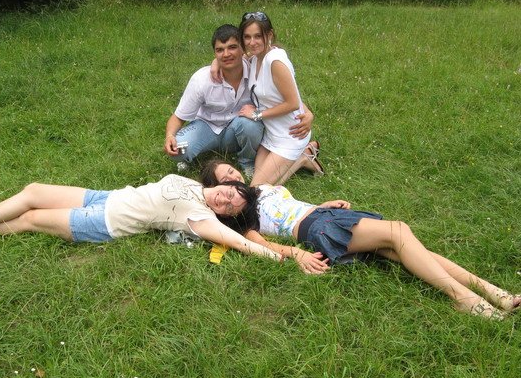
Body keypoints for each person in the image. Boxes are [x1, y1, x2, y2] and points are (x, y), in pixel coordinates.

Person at [200, 160, 521, 320]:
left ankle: (494, 293)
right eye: (223, 182)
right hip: (318, 229)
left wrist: (324, 205)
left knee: (408, 250)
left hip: (324, 216)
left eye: (231, 173)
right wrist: (296, 254)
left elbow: (292, 207)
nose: (232, 181)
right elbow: (262, 243)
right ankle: (464, 298)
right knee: (399, 231)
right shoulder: (246, 220)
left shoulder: (262, 190)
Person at [0, 175, 282, 263]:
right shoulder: (194, 185)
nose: (225, 200)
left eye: (230, 208)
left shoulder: (201, 217)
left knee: (31, 217)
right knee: (33, 190)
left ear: (223, 215)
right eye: (230, 193)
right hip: (106, 197)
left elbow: (239, 242)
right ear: (225, 183)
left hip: (105, 222)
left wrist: (284, 256)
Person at [164, 24, 317, 179]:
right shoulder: (201, 80)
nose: (226, 54)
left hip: (239, 126)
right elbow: (178, 117)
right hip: (207, 126)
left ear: (243, 49)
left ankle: (247, 161)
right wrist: (170, 135)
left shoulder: (255, 69)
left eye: (232, 47)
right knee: (179, 150)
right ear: (215, 53)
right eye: (220, 50)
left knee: (251, 126)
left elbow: (283, 95)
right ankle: (188, 156)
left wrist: (307, 113)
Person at [235, 11, 323, 186]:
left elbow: (293, 102)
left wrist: (257, 115)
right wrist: (215, 63)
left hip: (290, 135)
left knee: (257, 189)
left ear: (269, 35)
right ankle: (305, 154)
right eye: (247, 37)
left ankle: (302, 159)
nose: (252, 42)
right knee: (260, 182)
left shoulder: (275, 62)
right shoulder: (255, 57)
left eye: (257, 36)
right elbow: (233, 58)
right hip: (272, 134)